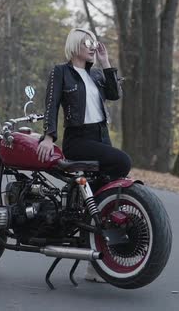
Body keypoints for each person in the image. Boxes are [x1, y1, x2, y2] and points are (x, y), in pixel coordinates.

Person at [36, 28, 131, 283]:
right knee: (123, 161)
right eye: (87, 42)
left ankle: (93, 263)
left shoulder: (96, 75)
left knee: (103, 197)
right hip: (78, 139)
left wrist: (106, 63)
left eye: (93, 42)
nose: (92, 46)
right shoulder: (61, 72)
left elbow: (114, 94)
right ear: (75, 45)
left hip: (101, 136)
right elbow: (51, 104)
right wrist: (48, 137)